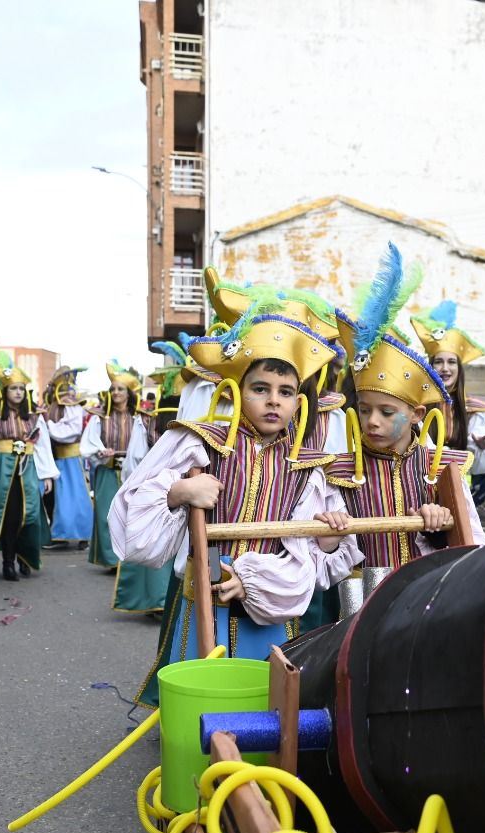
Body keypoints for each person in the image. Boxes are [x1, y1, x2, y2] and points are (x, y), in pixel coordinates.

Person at [112, 286, 356, 707]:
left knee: (266, 707)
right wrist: (180, 491)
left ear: (298, 402)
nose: (272, 401)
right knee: (203, 709)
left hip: (270, 606)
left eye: (284, 391)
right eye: (260, 388)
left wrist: (329, 536)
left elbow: (315, 551)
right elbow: (135, 508)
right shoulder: (201, 443)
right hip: (205, 599)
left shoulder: (307, 465)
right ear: (237, 391)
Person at [326, 244, 485, 591]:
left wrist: (440, 528)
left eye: (387, 412)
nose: (372, 422)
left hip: (426, 599)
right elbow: (323, 563)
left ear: (416, 414)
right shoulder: (338, 472)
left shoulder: (442, 468)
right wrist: (331, 535)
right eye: (365, 410)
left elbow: (472, 545)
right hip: (360, 604)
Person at [409, 300, 485, 533]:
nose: (445, 368)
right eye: (438, 362)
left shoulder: (471, 411)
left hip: (458, 492)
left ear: (459, 369)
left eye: (451, 362)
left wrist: (480, 448)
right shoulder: (414, 406)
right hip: (417, 491)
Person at [0, 365, 56, 582]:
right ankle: (8, 562)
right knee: (8, 516)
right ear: (6, 391)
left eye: (22, 388)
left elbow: (43, 446)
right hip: (3, 469)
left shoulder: (34, 415)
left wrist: (47, 474)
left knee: (29, 515)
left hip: (27, 469)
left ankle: (25, 557)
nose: (19, 392)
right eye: (14, 388)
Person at [82, 362, 150, 570]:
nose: (116, 393)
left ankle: (129, 557)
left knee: (131, 513)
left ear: (129, 393)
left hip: (133, 474)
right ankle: (113, 561)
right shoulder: (100, 417)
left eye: (120, 389)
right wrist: (100, 452)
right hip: (108, 471)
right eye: (113, 389)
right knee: (106, 514)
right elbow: (88, 444)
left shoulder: (140, 418)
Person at [43, 365, 91, 549]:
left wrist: (49, 427)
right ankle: (60, 535)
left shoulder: (71, 405)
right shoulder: (55, 404)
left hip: (71, 457)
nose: (66, 393)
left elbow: (72, 430)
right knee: (61, 499)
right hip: (58, 457)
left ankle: (83, 535)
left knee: (77, 497)